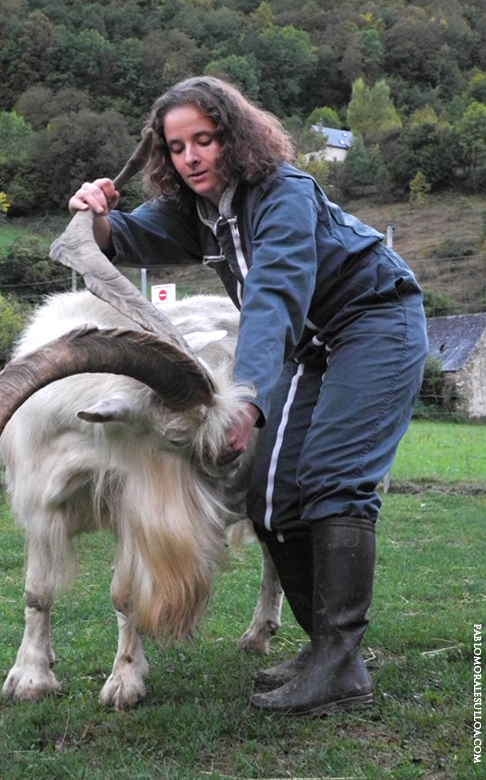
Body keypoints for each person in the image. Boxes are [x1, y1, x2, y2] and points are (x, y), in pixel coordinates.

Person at [69, 76, 428, 717]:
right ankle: (325, 650)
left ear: (234, 138)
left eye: (204, 140)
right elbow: (120, 237)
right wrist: (95, 217)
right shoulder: (197, 212)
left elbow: (274, 295)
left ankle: (341, 665)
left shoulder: (283, 194)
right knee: (268, 492)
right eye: (177, 147)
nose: (191, 158)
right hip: (313, 347)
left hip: (375, 322)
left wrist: (248, 401)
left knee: (333, 478)